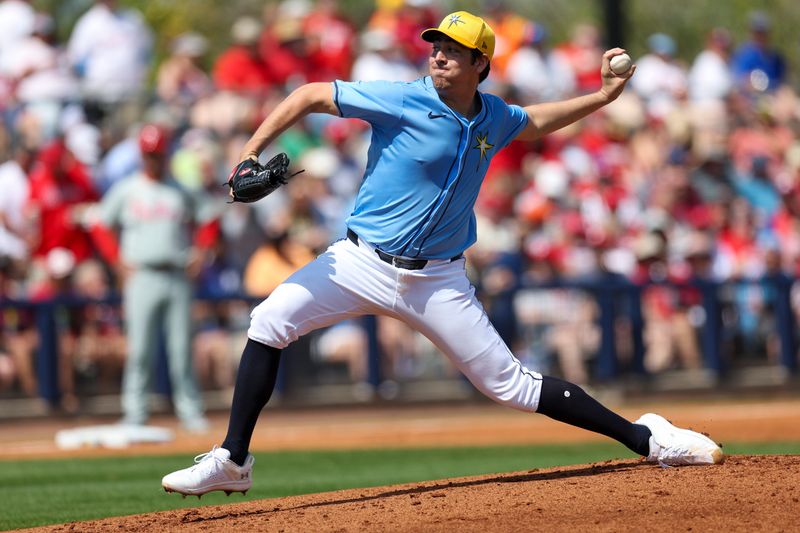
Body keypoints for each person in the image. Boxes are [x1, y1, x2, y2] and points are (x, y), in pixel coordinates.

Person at [162, 10, 723, 497]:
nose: (440, 56)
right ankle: (233, 460)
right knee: (268, 320)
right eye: (437, 46)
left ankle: (649, 439)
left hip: (438, 281)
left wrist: (602, 97)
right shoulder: (402, 99)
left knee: (511, 386)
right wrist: (249, 152)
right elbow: (311, 94)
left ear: (481, 63)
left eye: (455, 51)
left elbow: (535, 122)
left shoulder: (494, 115)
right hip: (360, 262)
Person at [91, 124, 218, 432]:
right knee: (140, 349)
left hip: (176, 274)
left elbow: (210, 218)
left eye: (158, 154)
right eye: (149, 154)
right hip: (142, 274)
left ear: (166, 154)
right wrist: (116, 262)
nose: (153, 160)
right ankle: (135, 413)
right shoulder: (128, 188)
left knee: (181, 349)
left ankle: (189, 411)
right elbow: (99, 224)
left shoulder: (180, 188)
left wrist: (201, 252)